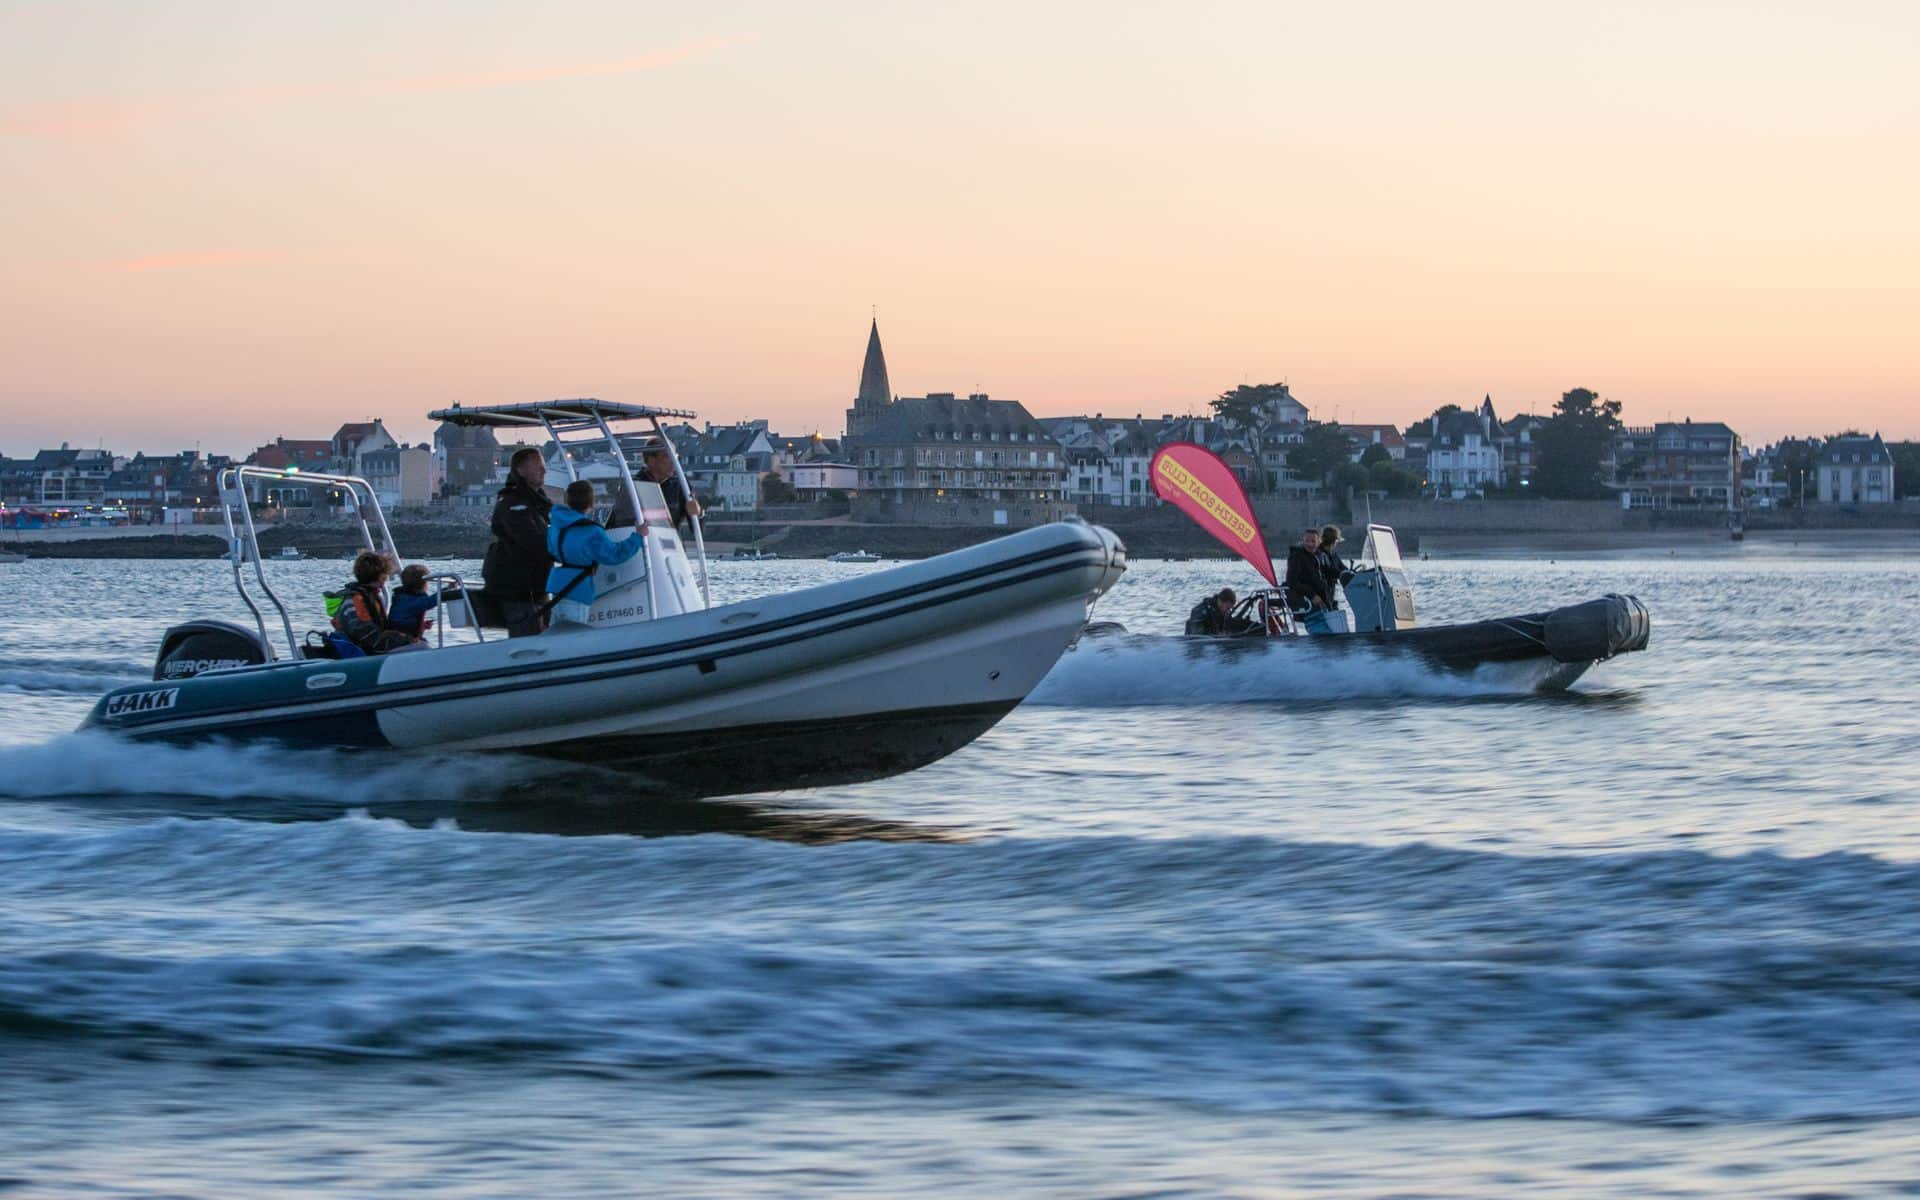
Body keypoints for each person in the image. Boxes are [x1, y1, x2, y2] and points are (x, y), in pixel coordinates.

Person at [545, 480, 647, 626]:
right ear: (591, 503)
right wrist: (637, 537)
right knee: (573, 635)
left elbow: (552, 550)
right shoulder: (592, 531)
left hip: (557, 586)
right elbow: (614, 555)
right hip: (578, 588)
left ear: (568, 500)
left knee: (557, 633)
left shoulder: (556, 526)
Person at [482, 447, 553, 637]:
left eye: (543, 467)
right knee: (527, 638)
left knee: (544, 633)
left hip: (536, 587)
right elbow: (531, 541)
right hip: (518, 588)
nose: (543, 471)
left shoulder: (537, 502)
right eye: (537, 467)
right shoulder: (515, 504)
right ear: (520, 471)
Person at [332, 550, 414, 655]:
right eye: (385, 575)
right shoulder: (357, 599)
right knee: (421, 646)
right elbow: (366, 634)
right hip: (361, 651)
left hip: (369, 647)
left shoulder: (368, 596)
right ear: (380, 576)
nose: (386, 579)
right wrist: (405, 640)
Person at [611, 443, 704, 534]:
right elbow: (617, 526)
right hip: (642, 545)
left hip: (672, 545)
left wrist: (698, 514)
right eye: (667, 456)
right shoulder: (632, 486)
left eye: (675, 456)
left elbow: (697, 530)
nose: (673, 461)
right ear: (651, 460)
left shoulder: (680, 485)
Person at [387, 563, 438, 642]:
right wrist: (447, 590)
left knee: (424, 642)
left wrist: (422, 626)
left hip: (403, 635)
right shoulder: (407, 599)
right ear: (422, 584)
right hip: (399, 639)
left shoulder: (405, 596)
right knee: (424, 646)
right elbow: (430, 602)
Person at [1284, 528, 1331, 612]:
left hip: (1323, 597)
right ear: (1303, 540)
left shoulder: (1320, 555)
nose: (1310, 544)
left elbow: (1330, 572)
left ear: (1319, 541)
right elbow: (1292, 581)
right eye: (1307, 541)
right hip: (1307, 600)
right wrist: (1312, 595)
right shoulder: (1296, 557)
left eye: (1313, 541)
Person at [1185, 587, 1257, 636]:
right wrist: (1218, 635)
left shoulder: (1223, 613)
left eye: (1230, 608)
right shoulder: (1200, 611)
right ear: (1220, 601)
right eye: (1227, 607)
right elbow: (1197, 637)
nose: (1228, 611)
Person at [1316, 524, 1353, 609]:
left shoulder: (1333, 554)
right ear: (1335, 541)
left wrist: (1350, 573)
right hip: (1323, 593)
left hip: (1330, 593)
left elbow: (1343, 569)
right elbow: (1330, 571)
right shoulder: (1319, 554)